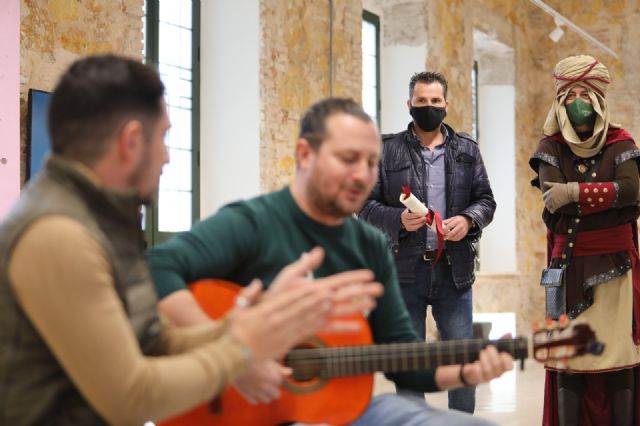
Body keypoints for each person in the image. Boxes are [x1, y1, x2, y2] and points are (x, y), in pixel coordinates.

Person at [0, 55, 383, 426]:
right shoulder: (59, 235)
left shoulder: (101, 219)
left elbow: (153, 341)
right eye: (164, 137)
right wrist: (242, 348)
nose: (167, 157)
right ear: (131, 141)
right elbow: (130, 397)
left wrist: (249, 323)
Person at [147, 97, 512, 426]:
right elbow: (157, 267)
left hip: (336, 414)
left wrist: (467, 371)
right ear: (305, 154)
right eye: (348, 159)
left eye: (371, 163)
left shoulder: (369, 246)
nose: (362, 175)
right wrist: (233, 359)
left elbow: (405, 361)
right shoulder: (252, 222)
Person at [357, 71, 496, 413]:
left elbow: (486, 200)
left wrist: (468, 219)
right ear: (409, 104)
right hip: (404, 271)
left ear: (446, 104)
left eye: (435, 101)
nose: (428, 107)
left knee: (463, 361)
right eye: (421, 101)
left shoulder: (467, 149)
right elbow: (365, 205)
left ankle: (461, 423)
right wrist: (398, 220)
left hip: (455, 272)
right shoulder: (386, 150)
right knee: (408, 362)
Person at [529, 54, 640, 426]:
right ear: (560, 101)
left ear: (599, 99)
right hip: (565, 269)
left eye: (585, 92)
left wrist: (574, 191)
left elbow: (630, 191)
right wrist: (602, 196)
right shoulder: (550, 147)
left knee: (618, 356)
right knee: (568, 359)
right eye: (571, 92)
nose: (578, 100)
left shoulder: (621, 143)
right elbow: (551, 198)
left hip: (616, 266)